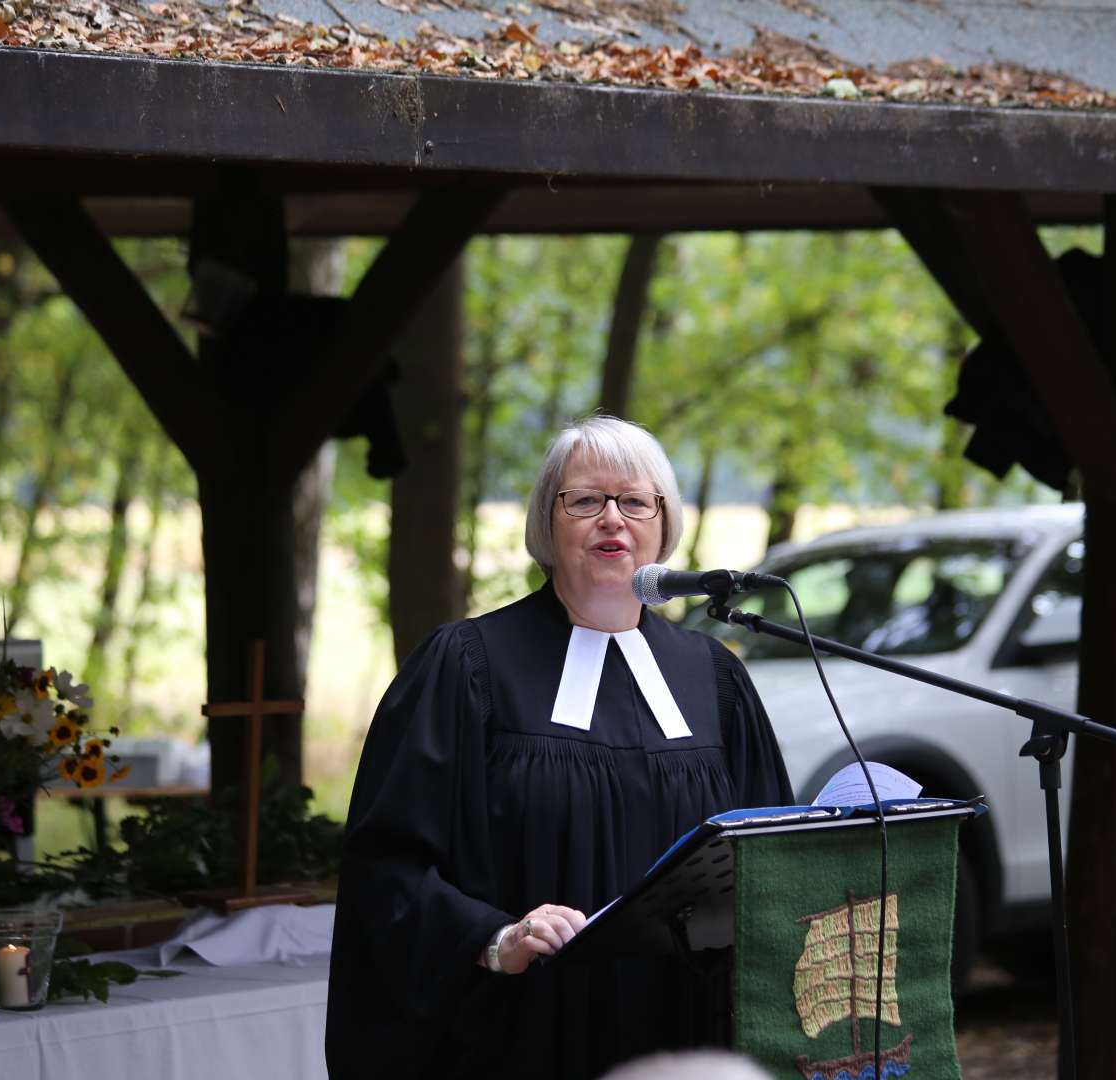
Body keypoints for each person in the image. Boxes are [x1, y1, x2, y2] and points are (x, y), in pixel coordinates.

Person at [326, 416, 793, 1080]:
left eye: (634, 501)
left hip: (686, 1027)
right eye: (585, 500)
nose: (613, 520)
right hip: (527, 1032)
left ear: (664, 523)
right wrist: (496, 938)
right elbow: (386, 868)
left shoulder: (714, 679)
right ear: (547, 522)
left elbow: (769, 850)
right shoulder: (467, 667)